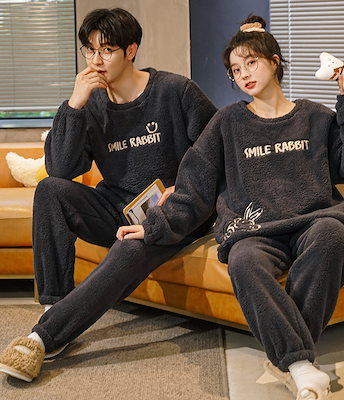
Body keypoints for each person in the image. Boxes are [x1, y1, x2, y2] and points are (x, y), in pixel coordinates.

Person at [115, 16, 344, 400]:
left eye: (251, 62)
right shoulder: (227, 123)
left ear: (274, 61)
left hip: (315, 219)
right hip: (254, 229)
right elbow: (195, 184)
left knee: (332, 237)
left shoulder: (314, 116)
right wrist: (156, 224)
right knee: (243, 260)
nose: (243, 73)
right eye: (235, 69)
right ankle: (298, 364)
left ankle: (290, 361)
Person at [0, 8, 216, 382]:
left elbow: (218, 150)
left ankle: (43, 337)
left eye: (107, 50)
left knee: (130, 247)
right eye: (89, 50)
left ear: (131, 50)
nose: (96, 60)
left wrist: (183, 188)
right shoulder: (91, 105)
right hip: (118, 208)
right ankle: (55, 307)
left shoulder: (175, 91)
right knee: (50, 190)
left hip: (172, 213)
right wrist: (74, 105)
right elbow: (60, 169)